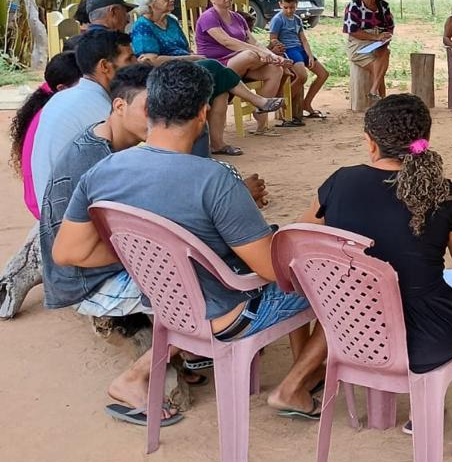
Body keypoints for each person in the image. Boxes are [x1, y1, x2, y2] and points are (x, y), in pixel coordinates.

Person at [51, 61, 326, 418]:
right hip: (230, 316)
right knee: (330, 281)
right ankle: (296, 385)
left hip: (165, 305)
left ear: (150, 109)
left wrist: (151, 252)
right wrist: (308, 229)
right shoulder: (213, 180)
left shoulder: (101, 172)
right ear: (203, 112)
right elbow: (271, 270)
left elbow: (67, 252)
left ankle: (138, 375)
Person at [301, 94, 452, 452]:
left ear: (371, 143)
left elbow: (304, 235)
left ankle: (431, 410)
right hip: (427, 342)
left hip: (352, 332)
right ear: (424, 142)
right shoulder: (444, 192)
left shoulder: (340, 182)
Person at [34, 65, 185, 424]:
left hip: (96, 265)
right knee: (198, 289)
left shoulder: (108, 146)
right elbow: (68, 253)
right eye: (149, 109)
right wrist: (146, 257)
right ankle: (133, 379)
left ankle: (179, 351)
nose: (157, 119)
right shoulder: (98, 163)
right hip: (81, 280)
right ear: (118, 106)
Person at [131, 0, 283, 155]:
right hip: (166, 73)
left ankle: (217, 144)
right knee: (213, 65)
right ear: (150, 2)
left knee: (221, 90)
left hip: (188, 66)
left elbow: (185, 48)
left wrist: (191, 57)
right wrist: (190, 59)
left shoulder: (171, 21)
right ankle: (258, 101)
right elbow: (150, 60)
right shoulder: (143, 26)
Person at [30, 30, 135, 210]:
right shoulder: (99, 108)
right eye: (129, 59)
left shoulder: (66, 97)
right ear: (105, 66)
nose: (137, 64)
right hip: (68, 220)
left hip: (56, 210)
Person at [194, 0, 287, 138]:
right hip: (218, 65)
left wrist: (273, 57)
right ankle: (258, 101)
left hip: (243, 63)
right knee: (250, 55)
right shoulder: (208, 17)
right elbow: (227, 42)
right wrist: (263, 54)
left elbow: (253, 42)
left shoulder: (237, 17)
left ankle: (261, 116)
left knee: (275, 69)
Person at [12, 51, 81, 219]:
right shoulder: (60, 111)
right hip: (46, 205)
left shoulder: (49, 101)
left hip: (41, 199)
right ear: (62, 88)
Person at [268, 0, 329, 123]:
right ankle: (282, 100)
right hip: (288, 50)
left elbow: (303, 39)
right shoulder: (278, 19)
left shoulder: (297, 19)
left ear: (297, 5)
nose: (289, 10)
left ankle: (307, 102)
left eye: (292, 7)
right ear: (280, 5)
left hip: (300, 49)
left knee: (323, 74)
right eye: (286, 7)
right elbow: (272, 38)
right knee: (302, 76)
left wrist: (310, 55)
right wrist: (277, 47)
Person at [343, 0, 394, 101]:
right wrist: (376, 37)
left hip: (378, 44)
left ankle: (376, 94)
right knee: (379, 70)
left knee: (385, 52)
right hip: (358, 44)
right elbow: (352, 31)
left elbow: (390, 27)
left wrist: (385, 38)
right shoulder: (354, 6)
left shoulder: (383, 6)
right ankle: (381, 98)